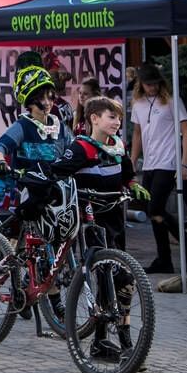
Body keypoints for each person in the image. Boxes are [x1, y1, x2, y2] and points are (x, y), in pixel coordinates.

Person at [52, 96, 150, 359]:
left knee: (122, 279)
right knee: (110, 277)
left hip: (115, 220)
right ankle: (122, 345)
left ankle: (107, 341)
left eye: (119, 117)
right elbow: (58, 172)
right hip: (91, 222)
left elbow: (127, 174)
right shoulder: (81, 148)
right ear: (94, 118)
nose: (118, 122)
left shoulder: (118, 146)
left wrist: (133, 187)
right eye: (111, 116)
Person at [129, 63, 187, 274]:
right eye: (148, 84)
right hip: (150, 163)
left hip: (168, 162)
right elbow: (137, 134)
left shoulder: (171, 100)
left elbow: (186, 133)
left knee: (155, 209)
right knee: (151, 211)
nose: (152, 87)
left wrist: (185, 163)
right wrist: (132, 161)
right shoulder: (138, 103)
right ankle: (164, 259)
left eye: (155, 83)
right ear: (141, 84)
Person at [0, 65, 74, 180]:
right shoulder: (22, 126)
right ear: (29, 101)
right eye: (41, 98)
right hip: (27, 191)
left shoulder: (61, 127)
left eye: (50, 97)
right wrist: (0, 162)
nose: (47, 102)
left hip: (58, 191)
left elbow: (74, 152)